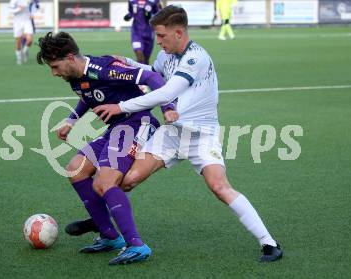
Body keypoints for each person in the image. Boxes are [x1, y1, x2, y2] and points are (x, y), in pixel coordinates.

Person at [91, 5, 283, 262]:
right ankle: (103, 225)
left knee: (219, 186)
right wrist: (129, 63)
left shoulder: (196, 58)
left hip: (201, 135)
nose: (157, 42)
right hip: (171, 134)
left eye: (161, 36)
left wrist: (120, 107)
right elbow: (152, 74)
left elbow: (166, 93)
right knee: (126, 181)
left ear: (178, 33)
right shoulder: (167, 56)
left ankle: (269, 243)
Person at [36, 31, 178, 265]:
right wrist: (72, 120)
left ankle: (137, 245)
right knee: (76, 169)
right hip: (115, 129)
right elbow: (87, 95)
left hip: (136, 124)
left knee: (104, 181)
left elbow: (152, 78)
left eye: (55, 66)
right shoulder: (75, 76)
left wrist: (168, 108)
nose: (54, 73)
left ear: (70, 58)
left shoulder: (104, 69)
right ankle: (110, 236)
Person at [123, 0, 162, 64]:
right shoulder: (132, 1)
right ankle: (139, 72)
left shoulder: (154, 1)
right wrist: (128, 16)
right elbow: (131, 12)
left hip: (149, 33)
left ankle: (145, 72)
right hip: (136, 33)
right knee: (139, 55)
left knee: (146, 60)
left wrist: (150, 15)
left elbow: (159, 14)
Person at [10, 0, 35, 65]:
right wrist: (19, 8)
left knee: (30, 40)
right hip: (17, 22)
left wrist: (32, 13)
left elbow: (33, 5)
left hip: (27, 21)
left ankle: (24, 51)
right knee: (18, 43)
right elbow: (11, 10)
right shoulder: (14, 1)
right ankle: (19, 59)